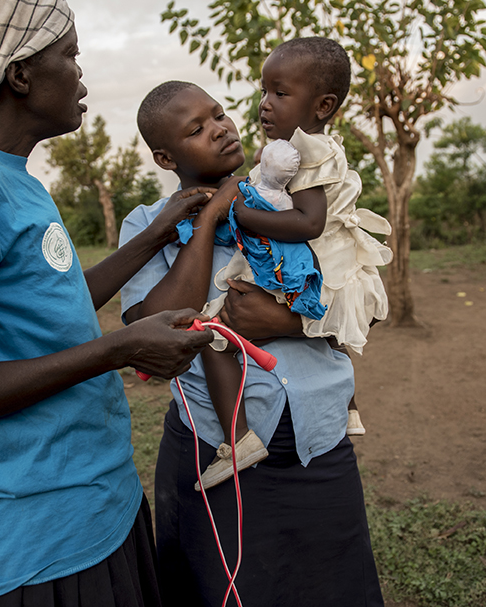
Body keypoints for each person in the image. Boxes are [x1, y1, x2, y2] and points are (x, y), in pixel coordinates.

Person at [0, 0, 216, 604]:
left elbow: (52, 310)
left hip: (103, 500)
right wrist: (117, 350)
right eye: (69, 55)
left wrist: (154, 234)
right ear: (19, 75)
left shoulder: (16, 179)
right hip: (43, 537)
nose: (82, 76)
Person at [120, 80, 385, 606]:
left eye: (218, 114)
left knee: (333, 587)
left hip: (320, 440)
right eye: (197, 129)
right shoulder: (149, 225)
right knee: (222, 589)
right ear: (165, 157)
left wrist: (288, 322)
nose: (220, 128)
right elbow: (153, 331)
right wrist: (211, 219)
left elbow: (365, 304)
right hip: (217, 451)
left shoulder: (296, 195)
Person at [184, 37, 395, 490]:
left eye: (280, 93)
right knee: (333, 331)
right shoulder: (309, 147)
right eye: (264, 91)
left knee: (215, 333)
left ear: (322, 106)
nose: (264, 104)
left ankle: (238, 438)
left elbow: (308, 222)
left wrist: (240, 213)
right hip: (332, 263)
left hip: (313, 260)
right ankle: (349, 409)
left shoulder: (307, 152)